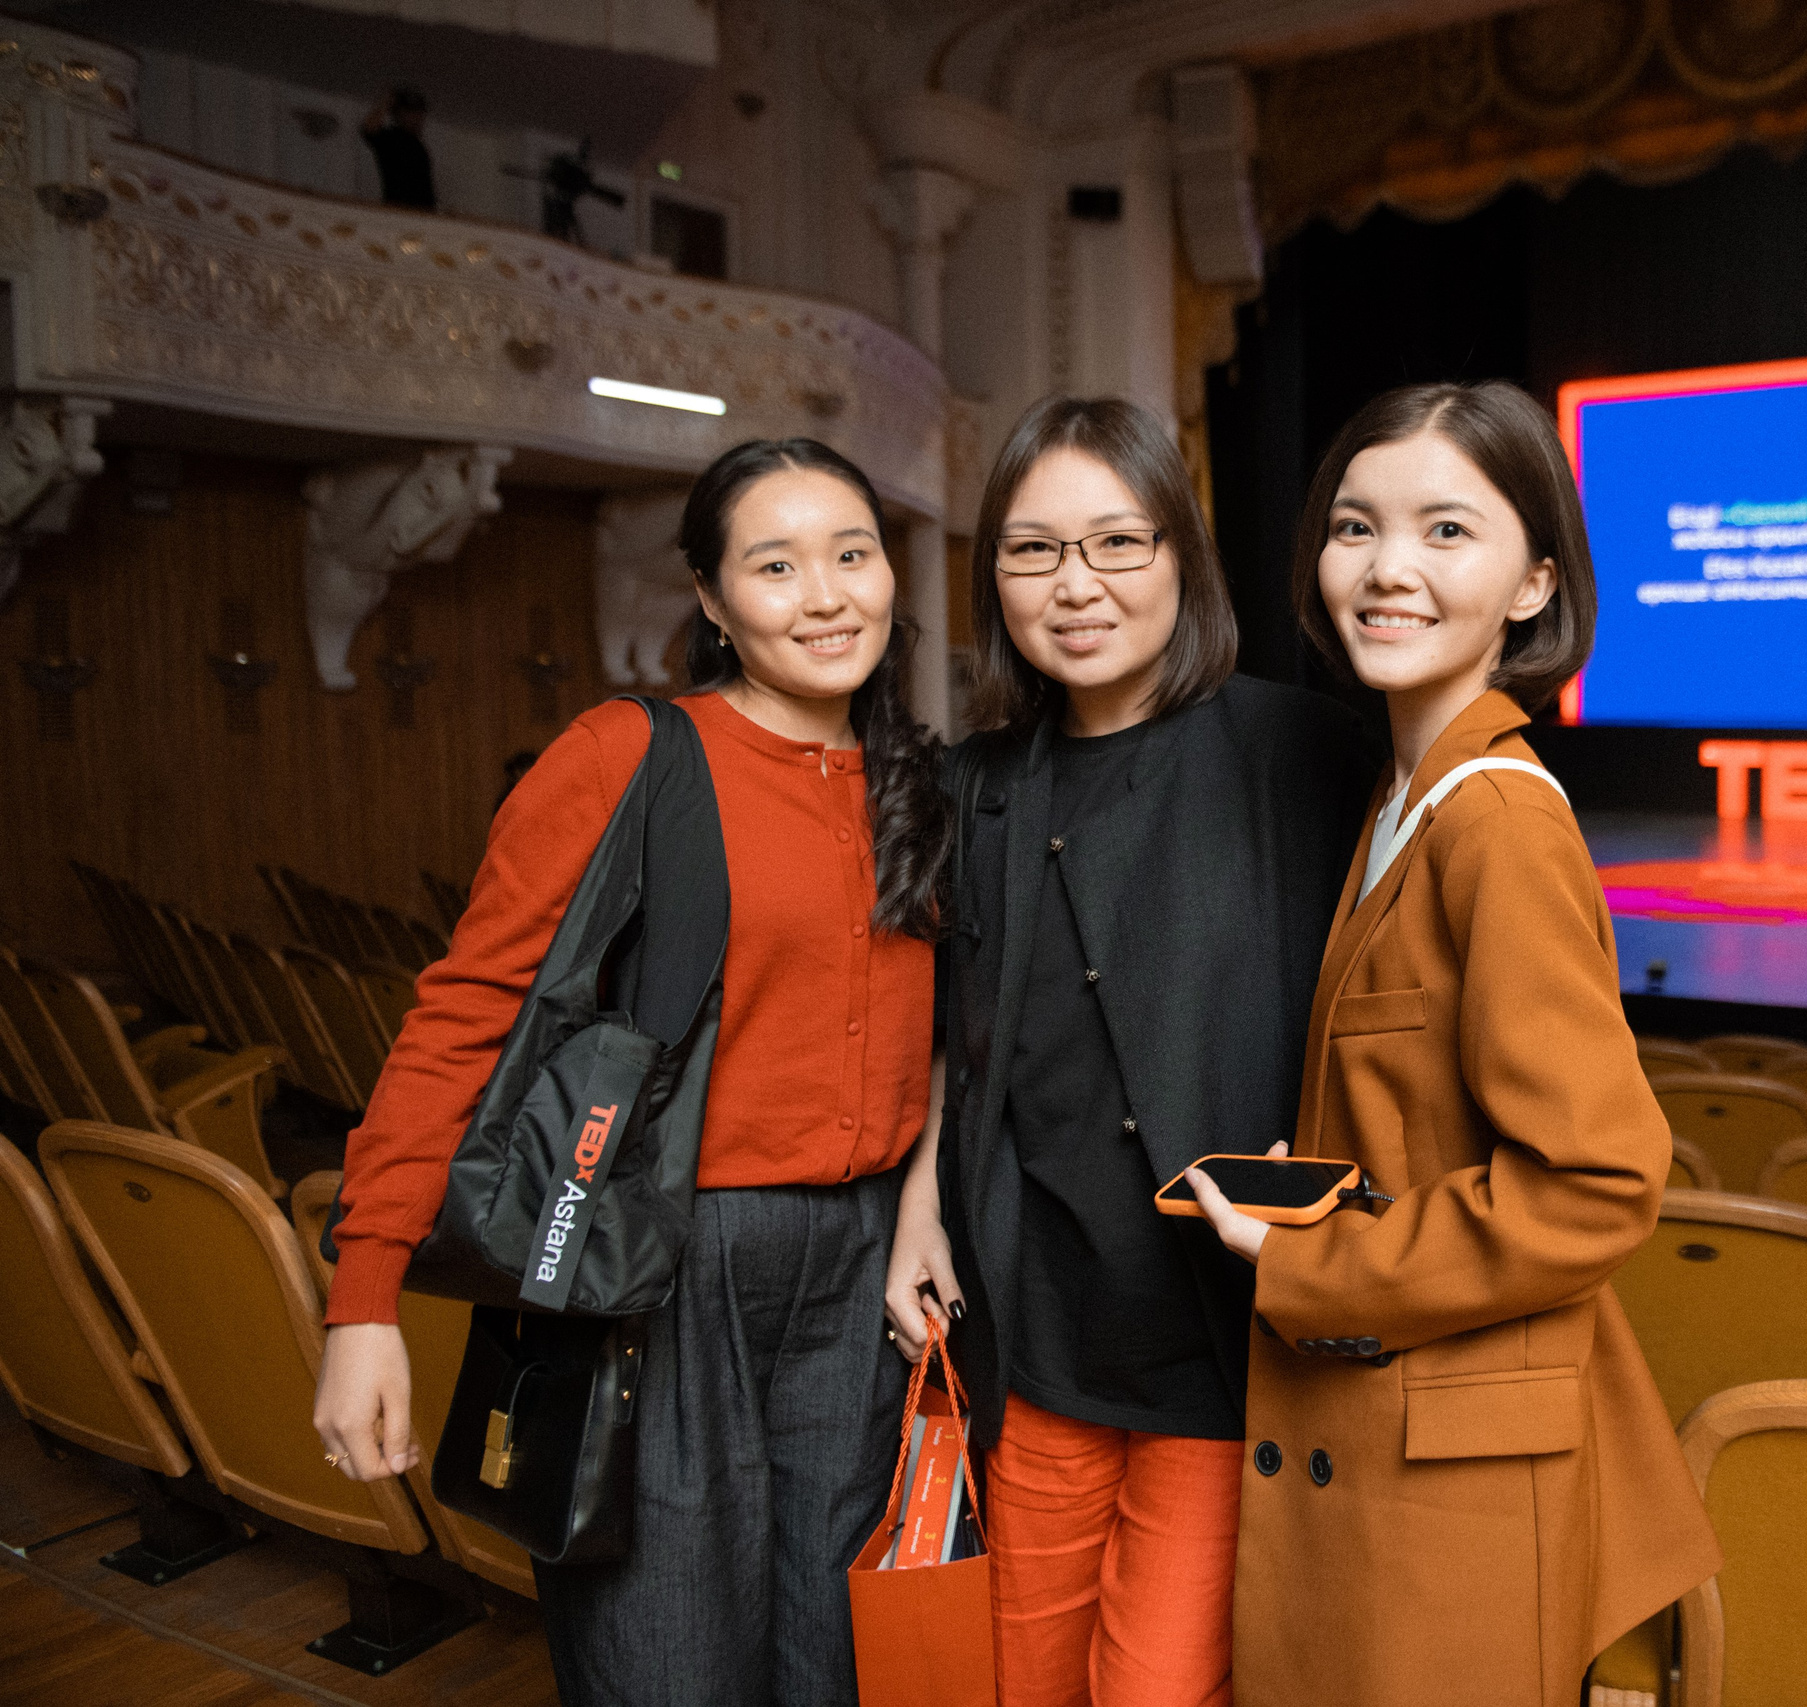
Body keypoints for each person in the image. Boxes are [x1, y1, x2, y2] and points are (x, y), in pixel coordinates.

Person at [312, 439, 948, 1704]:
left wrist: (919, 1205)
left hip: (862, 1271)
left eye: (852, 554)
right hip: (661, 1258)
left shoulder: (922, 783)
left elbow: (951, 1040)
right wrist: (364, 1298)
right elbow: (465, 1015)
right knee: (666, 1664)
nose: (825, 596)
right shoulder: (629, 753)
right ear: (711, 600)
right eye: (775, 565)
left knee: (840, 1665)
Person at [1182, 381, 1719, 1706]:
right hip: (1395, 1444)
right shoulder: (1403, 791)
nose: (1387, 566)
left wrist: (1320, 1254)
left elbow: (1596, 1181)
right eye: (1355, 526)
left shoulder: (1497, 822)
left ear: (1533, 582)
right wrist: (1311, 1176)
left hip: (1451, 1477)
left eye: (1445, 531)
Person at [883, 396, 1372, 1707]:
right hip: (1037, 1334)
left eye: (1117, 540)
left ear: (1182, 557)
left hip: (1216, 1347)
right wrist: (922, 1200)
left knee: (1149, 1689)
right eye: (1033, 550)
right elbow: (961, 1025)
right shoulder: (980, 781)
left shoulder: (1306, 748)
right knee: (1020, 1679)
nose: (1076, 583)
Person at [361, 87, 436, 212]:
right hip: (399, 209)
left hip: (424, 213)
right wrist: (386, 102)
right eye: (410, 113)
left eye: (419, 113)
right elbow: (368, 129)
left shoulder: (419, 146)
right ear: (398, 115)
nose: (416, 118)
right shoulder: (391, 137)